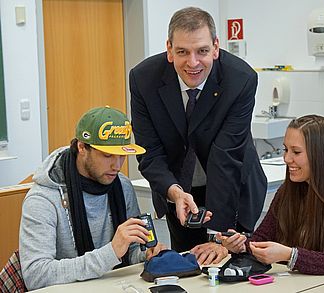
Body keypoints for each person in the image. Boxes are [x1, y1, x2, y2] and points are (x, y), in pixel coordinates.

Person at [129, 6, 267, 261]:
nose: (193, 63)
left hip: (233, 189)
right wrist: (175, 192)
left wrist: (217, 235)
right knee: (188, 265)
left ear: (216, 47)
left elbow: (226, 156)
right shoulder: (143, 79)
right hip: (179, 192)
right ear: (169, 49)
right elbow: (150, 152)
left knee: (232, 266)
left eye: (202, 51)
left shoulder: (240, 79)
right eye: (182, 52)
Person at [218, 115, 324, 288]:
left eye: (296, 152)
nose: (287, 158)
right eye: (285, 150)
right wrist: (241, 245)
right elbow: (262, 239)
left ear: (321, 154)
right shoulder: (289, 190)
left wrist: (291, 256)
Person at [19, 106, 165, 290]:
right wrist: (110, 252)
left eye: (122, 156)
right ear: (82, 147)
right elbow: (36, 275)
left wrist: (146, 255)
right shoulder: (42, 199)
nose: (117, 165)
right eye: (107, 155)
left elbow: (131, 253)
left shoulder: (123, 186)